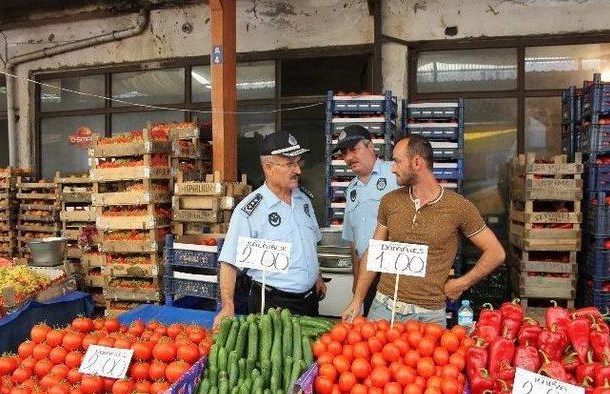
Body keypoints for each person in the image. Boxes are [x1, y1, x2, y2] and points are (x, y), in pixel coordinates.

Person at [341, 134, 506, 326]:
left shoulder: (459, 207)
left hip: (428, 316)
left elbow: (496, 253)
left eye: (397, 161)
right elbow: (373, 251)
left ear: (417, 162)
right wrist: (357, 300)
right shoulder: (389, 201)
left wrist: (461, 283)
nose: (393, 168)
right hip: (383, 307)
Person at [213, 131, 327, 329]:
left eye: (298, 162)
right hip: (273, 305)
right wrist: (228, 305)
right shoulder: (250, 210)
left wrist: (316, 277)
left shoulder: (304, 200)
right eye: (290, 164)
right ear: (269, 168)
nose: (298, 170)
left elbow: (309, 244)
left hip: (310, 301)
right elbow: (229, 262)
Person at [333, 125, 398, 314]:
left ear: (371, 147)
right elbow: (354, 242)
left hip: (393, 273)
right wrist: (357, 281)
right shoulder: (351, 189)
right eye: (344, 153)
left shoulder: (395, 175)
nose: (348, 158)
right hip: (367, 276)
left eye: (354, 149)